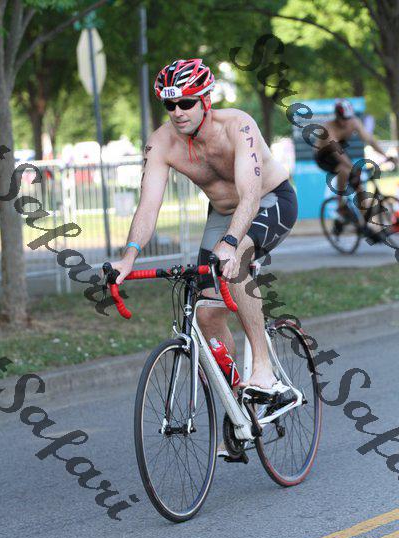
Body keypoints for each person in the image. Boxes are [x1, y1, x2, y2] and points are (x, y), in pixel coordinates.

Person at [109, 58, 297, 401]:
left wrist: (230, 242)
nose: (177, 112)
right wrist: (128, 257)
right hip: (222, 213)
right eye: (170, 105)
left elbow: (250, 195)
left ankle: (264, 369)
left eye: (186, 102)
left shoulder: (238, 125)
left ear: (205, 100)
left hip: (269, 201)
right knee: (206, 313)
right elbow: (148, 206)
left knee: (236, 259)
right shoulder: (161, 143)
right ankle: (240, 410)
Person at [314, 99, 395, 233]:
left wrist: (385, 156)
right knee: (344, 169)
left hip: (340, 152)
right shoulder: (329, 128)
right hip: (324, 156)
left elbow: (369, 139)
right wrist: (353, 167)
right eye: (343, 119)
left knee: (359, 188)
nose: (345, 122)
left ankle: (365, 225)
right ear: (337, 116)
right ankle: (340, 206)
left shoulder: (354, 122)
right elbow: (338, 153)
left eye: (348, 118)